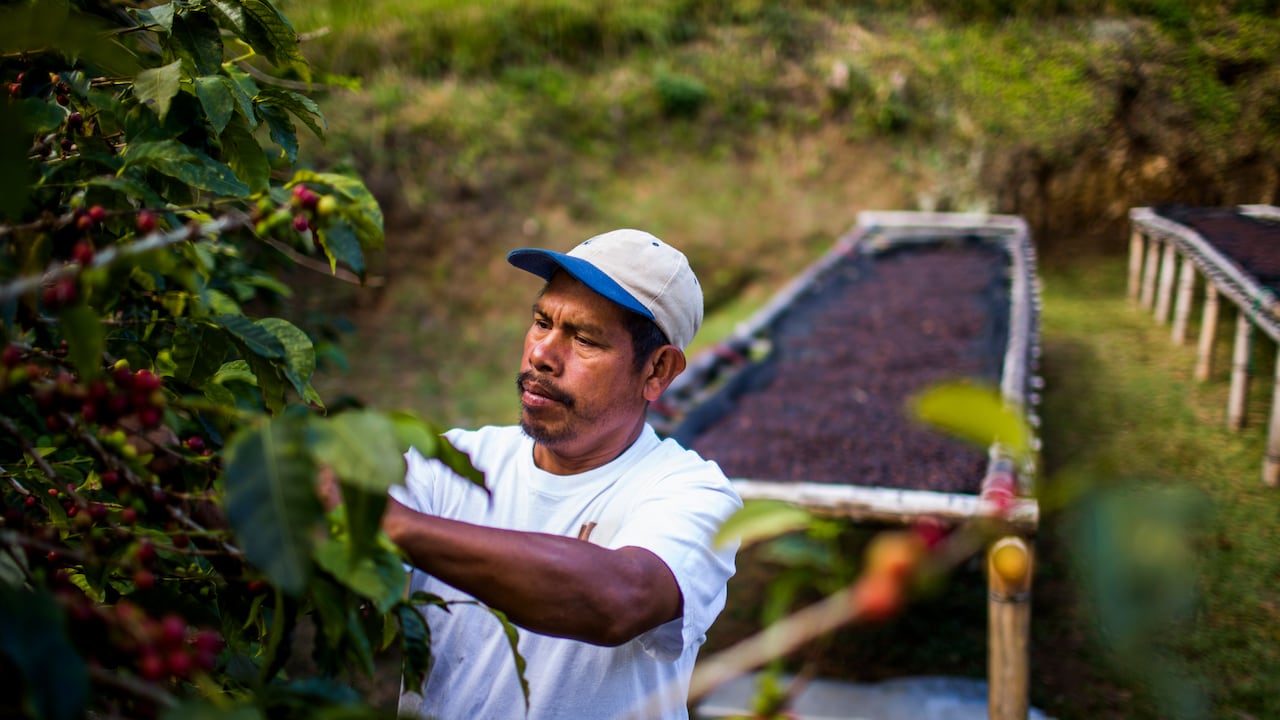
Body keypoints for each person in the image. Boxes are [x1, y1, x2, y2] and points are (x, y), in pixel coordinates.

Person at [383, 228, 743, 719]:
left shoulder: (693, 494)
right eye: (541, 321)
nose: (541, 355)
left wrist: (397, 526)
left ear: (657, 370)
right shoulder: (450, 462)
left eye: (585, 339)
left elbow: (620, 599)